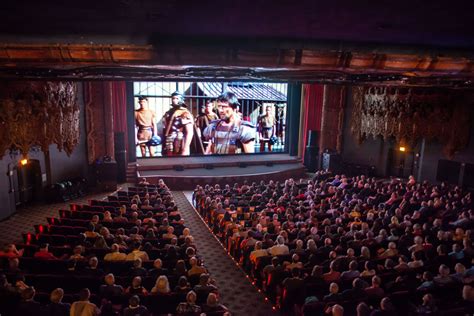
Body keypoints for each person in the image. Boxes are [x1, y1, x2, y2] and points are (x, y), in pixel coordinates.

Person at [162, 91, 194, 156]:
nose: (174, 100)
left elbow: (190, 133)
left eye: (176, 98)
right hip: (169, 139)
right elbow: (165, 127)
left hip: (180, 139)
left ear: (181, 99)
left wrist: (185, 148)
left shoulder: (185, 113)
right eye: (173, 98)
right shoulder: (168, 113)